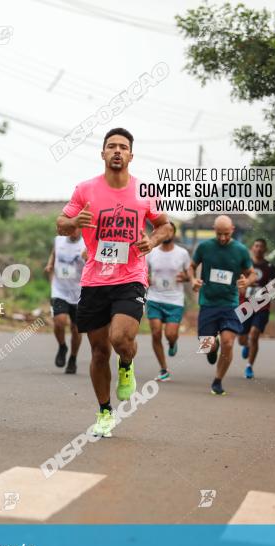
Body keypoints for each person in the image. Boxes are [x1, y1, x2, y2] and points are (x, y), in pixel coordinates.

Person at [56, 128, 171, 437]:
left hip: (131, 276)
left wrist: (154, 239)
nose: (117, 151)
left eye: (123, 147)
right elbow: (61, 223)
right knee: (97, 352)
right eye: (111, 146)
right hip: (95, 279)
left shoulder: (144, 191)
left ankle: (127, 363)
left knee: (120, 337)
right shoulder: (85, 189)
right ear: (103, 153)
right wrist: (73, 223)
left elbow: (165, 226)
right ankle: (105, 412)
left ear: (131, 155)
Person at [190, 216, 254, 396]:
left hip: (230, 304)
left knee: (228, 342)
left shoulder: (240, 250)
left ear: (232, 229)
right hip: (208, 303)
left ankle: (218, 380)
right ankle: (212, 347)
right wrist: (193, 279)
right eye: (219, 234)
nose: (222, 238)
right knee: (206, 347)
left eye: (226, 234)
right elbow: (191, 266)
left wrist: (246, 281)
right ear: (213, 230)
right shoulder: (204, 247)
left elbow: (252, 273)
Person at [145, 222, 193, 381]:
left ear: (173, 234)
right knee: (156, 331)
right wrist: (147, 279)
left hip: (174, 300)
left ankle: (173, 343)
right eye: (163, 230)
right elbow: (143, 272)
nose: (166, 233)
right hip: (154, 298)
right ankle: (163, 369)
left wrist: (186, 278)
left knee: (171, 334)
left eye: (170, 230)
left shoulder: (182, 253)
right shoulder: (151, 253)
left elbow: (189, 274)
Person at [45, 226, 86, 374]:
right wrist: (50, 264)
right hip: (59, 289)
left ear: (81, 229)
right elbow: (54, 254)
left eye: (76, 229)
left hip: (79, 293)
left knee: (76, 329)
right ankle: (62, 346)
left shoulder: (87, 244)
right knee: (59, 321)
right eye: (71, 228)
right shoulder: (59, 240)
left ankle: (73, 359)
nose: (73, 231)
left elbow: (92, 263)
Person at [237, 238, 275, 378]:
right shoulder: (245, 265)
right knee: (242, 339)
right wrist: (242, 288)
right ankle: (245, 345)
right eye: (256, 246)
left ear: (265, 250)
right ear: (252, 248)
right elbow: (237, 281)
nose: (259, 248)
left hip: (262, 307)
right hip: (245, 306)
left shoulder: (270, 267)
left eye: (261, 246)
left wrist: (268, 293)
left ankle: (249, 367)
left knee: (254, 335)